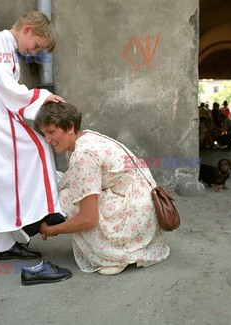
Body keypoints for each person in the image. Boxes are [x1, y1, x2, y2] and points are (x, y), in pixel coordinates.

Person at [0, 11, 67, 261]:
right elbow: (4, 84)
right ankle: (44, 211)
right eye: (36, 45)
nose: (35, 51)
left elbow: (5, 86)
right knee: (37, 148)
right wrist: (40, 96)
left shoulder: (7, 45)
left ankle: (7, 241)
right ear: (26, 29)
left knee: (4, 171)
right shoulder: (0, 40)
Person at [36, 102, 170, 275]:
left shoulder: (82, 154)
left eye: (51, 132)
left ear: (69, 127)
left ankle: (115, 255)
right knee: (68, 189)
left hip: (137, 214)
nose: (47, 139)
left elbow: (88, 219)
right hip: (147, 208)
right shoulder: (87, 137)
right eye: (44, 133)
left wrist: (51, 230)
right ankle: (130, 246)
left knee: (66, 199)